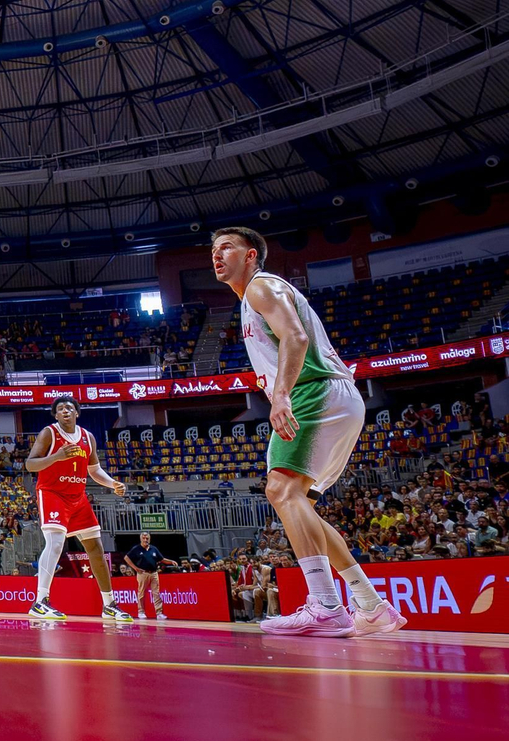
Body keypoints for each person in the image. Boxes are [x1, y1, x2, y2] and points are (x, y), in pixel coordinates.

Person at [213, 226, 407, 637]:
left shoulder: (261, 287)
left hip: (313, 392)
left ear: (251, 256)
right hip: (337, 396)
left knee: (280, 491)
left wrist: (280, 395)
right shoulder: (252, 299)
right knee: (298, 501)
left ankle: (325, 606)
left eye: (227, 247)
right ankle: (371, 605)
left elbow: (296, 337)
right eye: (213, 249)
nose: (217, 254)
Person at [26, 397, 134, 622]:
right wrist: (56, 457)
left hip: (78, 497)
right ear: (55, 415)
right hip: (52, 493)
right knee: (55, 543)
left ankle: (109, 605)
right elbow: (30, 464)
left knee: (95, 547)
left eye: (69, 408)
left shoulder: (88, 437)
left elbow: (94, 471)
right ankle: (40, 602)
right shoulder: (49, 433)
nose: (65, 411)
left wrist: (112, 483)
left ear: (77, 412)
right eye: (60, 409)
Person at [125, 531, 168, 619]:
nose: (145, 540)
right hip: (142, 573)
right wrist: (135, 568)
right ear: (141, 539)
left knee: (156, 593)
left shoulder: (153, 549)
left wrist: (171, 561)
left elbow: (162, 559)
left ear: (150, 539)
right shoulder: (137, 548)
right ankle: (141, 612)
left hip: (154, 573)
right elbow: (126, 558)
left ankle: (159, 613)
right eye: (144, 538)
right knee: (141, 593)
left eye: (147, 538)